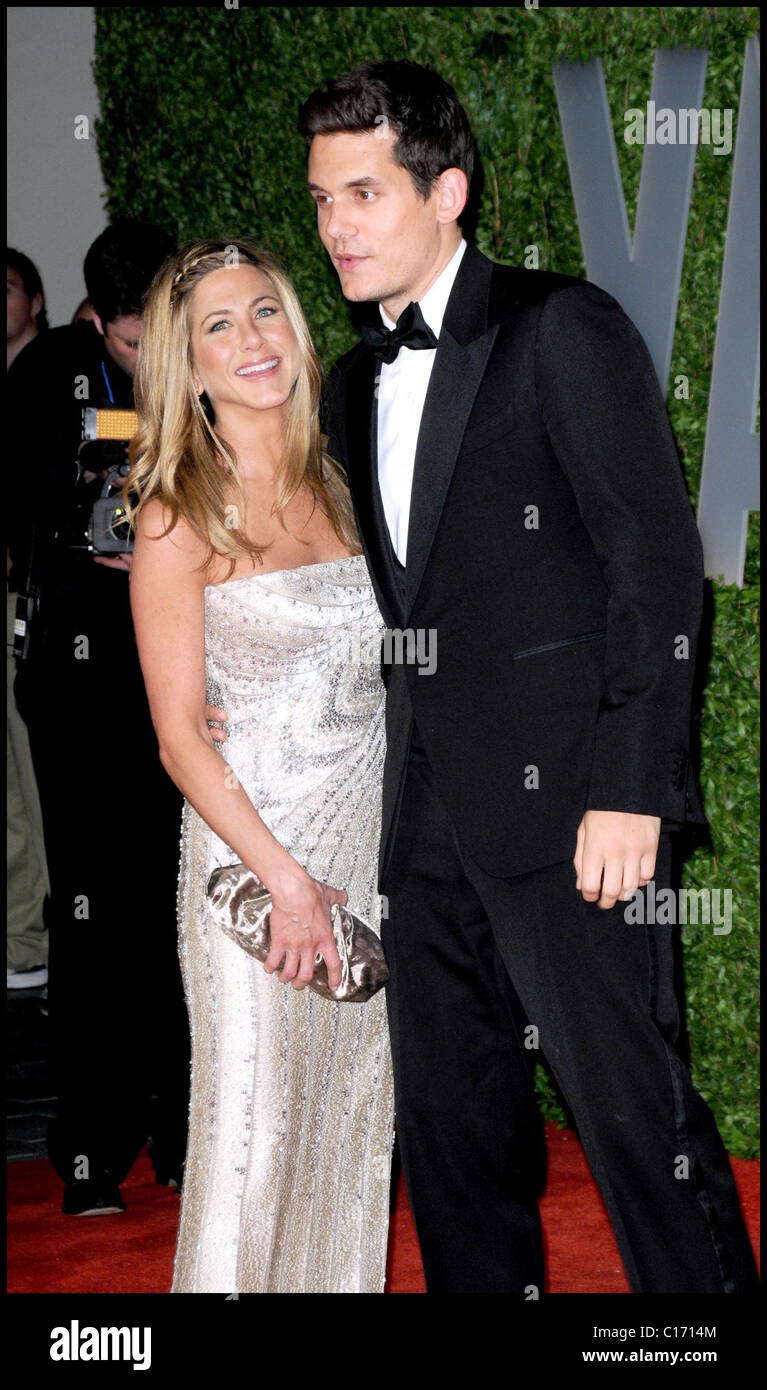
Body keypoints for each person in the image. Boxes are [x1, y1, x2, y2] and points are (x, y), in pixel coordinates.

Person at [278, 58, 756, 1294]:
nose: (335, 227)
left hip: (574, 815)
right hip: (422, 823)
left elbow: (655, 569)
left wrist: (632, 788)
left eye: (363, 194)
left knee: (636, 1126)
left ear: (446, 191)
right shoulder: (351, 382)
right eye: (323, 200)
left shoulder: (559, 326)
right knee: (454, 1140)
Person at [126, 238, 394, 1293]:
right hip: (253, 873)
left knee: (350, 1131)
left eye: (265, 312)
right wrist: (285, 881)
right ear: (187, 365)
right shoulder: (174, 515)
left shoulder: (345, 484)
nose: (251, 341)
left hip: (364, 859)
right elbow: (179, 737)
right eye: (219, 327)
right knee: (255, 1139)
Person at [8, 221, 190, 1215]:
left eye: (161, 331)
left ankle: (184, 1129)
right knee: (91, 907)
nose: (147, 353)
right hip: (82, 681)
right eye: (128, 339)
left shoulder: (203, 357)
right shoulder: (49, 375)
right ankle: (91, 1148)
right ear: (92, 319)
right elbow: (19, 501)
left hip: (184, 666)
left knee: (181, 900)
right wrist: (80, 524)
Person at [7, 250, 50, 989]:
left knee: (32, 779)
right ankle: (21, 940)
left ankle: (33, 942)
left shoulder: (57, 381)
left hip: (37, 604)